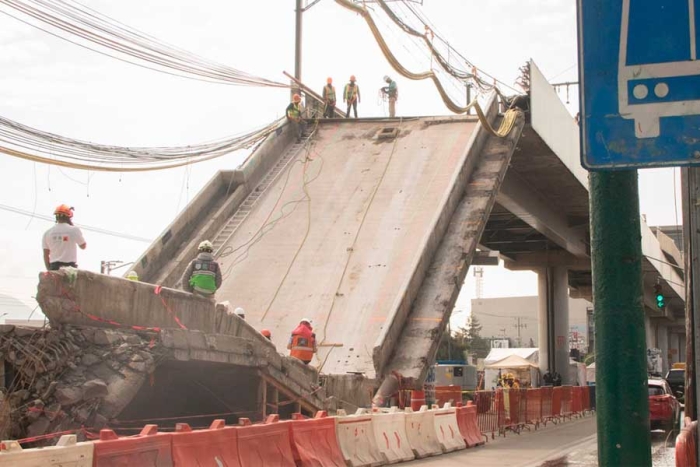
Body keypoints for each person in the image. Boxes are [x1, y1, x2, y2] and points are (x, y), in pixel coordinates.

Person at [42, 204, 86, 271]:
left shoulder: (47, 233)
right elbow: (83, 246)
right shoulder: (74, 230)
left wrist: (49, 270)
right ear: (69, 217)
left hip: (54, 268)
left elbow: (46, 255)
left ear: (56, 217)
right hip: (70, 269)